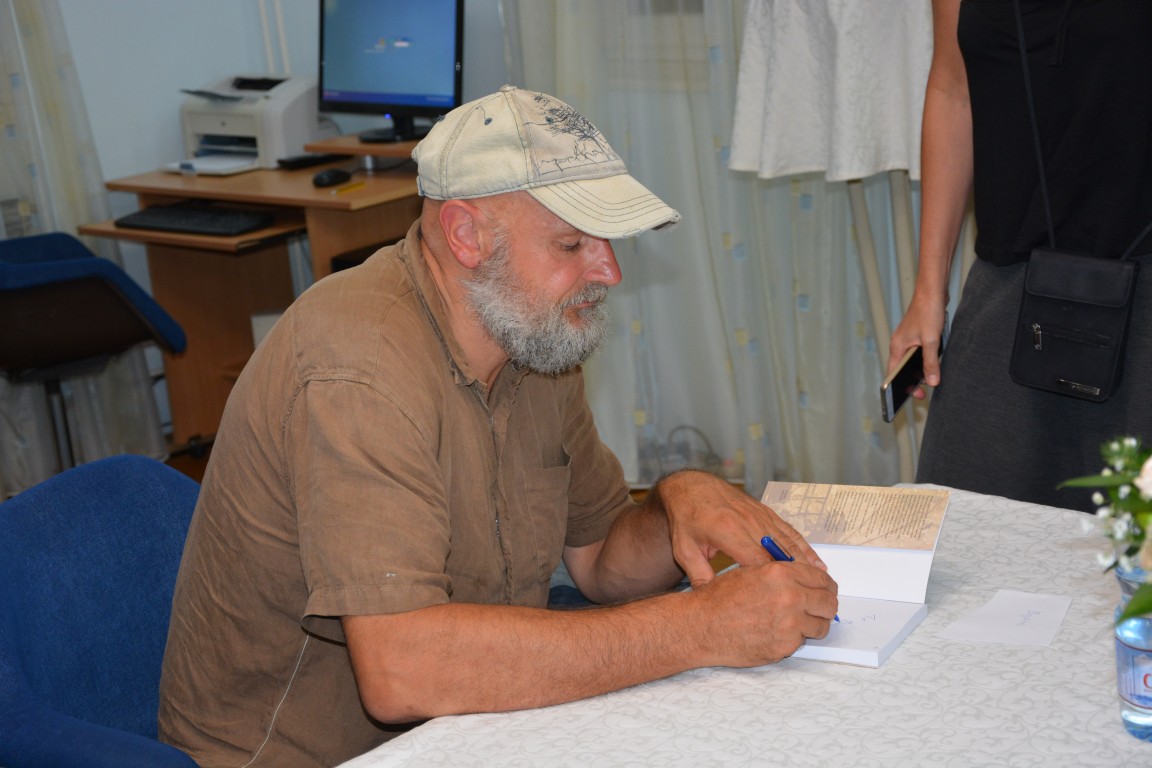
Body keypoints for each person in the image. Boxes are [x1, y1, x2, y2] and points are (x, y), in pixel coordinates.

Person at [158, 86, 838, 768]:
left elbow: (599, 561)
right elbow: (403, 672)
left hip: (470, 724)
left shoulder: (532, 335)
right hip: (311, 755)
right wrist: (698, 628)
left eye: (605, 240)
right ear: (466, 236)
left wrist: (675, 504)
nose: (608, 271)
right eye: (571, 243)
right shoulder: (359, 368)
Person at [888, 0, 1152, 511]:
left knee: (1131, 543)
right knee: (962, 524)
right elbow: (953, 90)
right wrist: (928, 293)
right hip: (1010, 285)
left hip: (1145, 294)